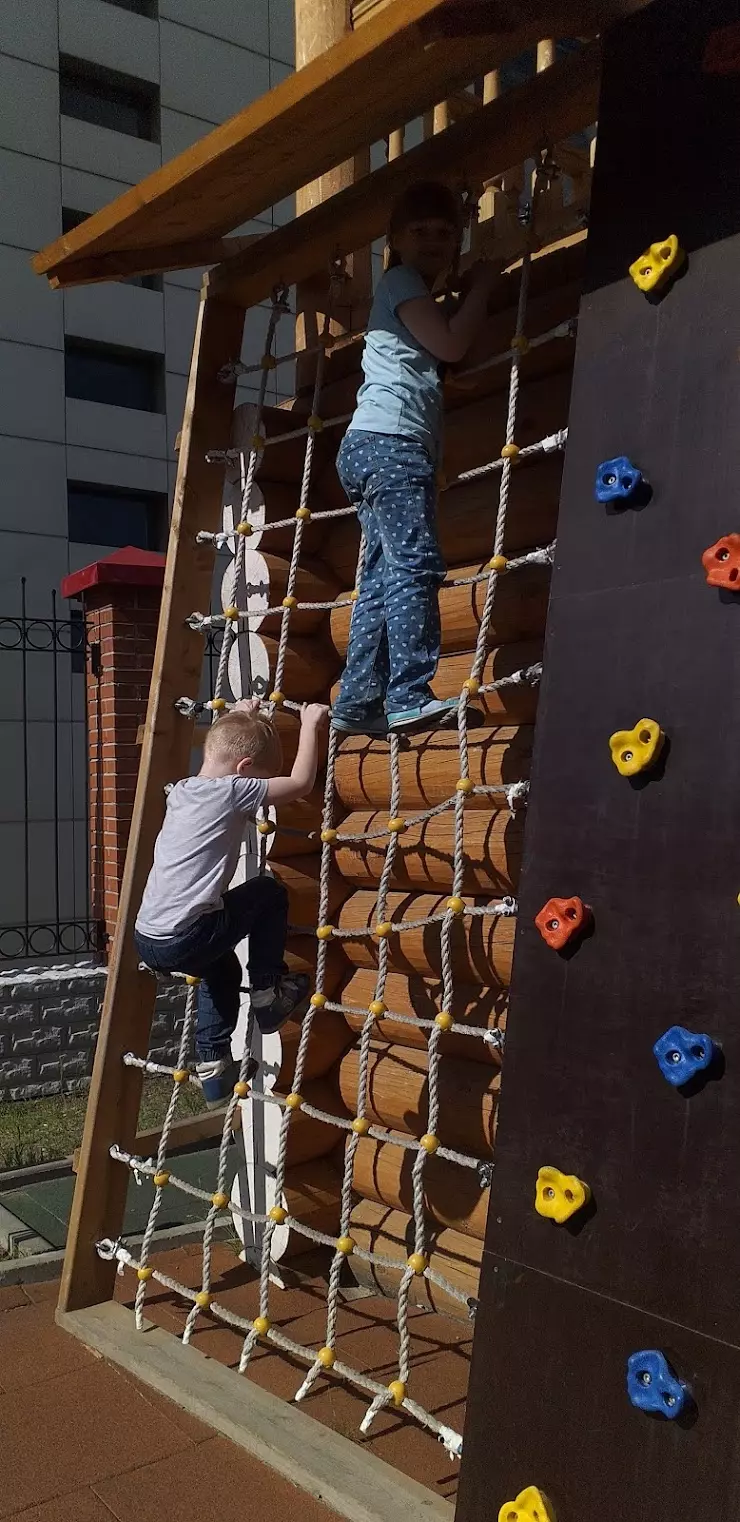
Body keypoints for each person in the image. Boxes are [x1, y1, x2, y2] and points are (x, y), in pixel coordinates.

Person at [330, 179, 499, 737]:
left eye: (445, 233)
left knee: (382, 575)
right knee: (414, 567)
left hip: (374, 446)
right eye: (420, 232)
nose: (433, 241)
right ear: (396, 240)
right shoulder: (399, 281)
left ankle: (356, 700)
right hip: (391, 442)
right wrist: (484, 286)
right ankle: (406, 693)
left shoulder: (410, 292)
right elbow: (451, 345)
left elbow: (432, 356)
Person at [135, 699, 328, 1106]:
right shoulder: (233, 790)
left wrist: (239, 716)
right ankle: (267, 993)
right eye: (261, 778)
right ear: (243, 771)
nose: (261, 787)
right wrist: (310, 725)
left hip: (149, 938)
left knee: (221, 970)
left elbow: (225, 743)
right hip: (186, 933)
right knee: (269, 893)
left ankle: (215, 1073)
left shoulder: (184, 790)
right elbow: (299, 784)